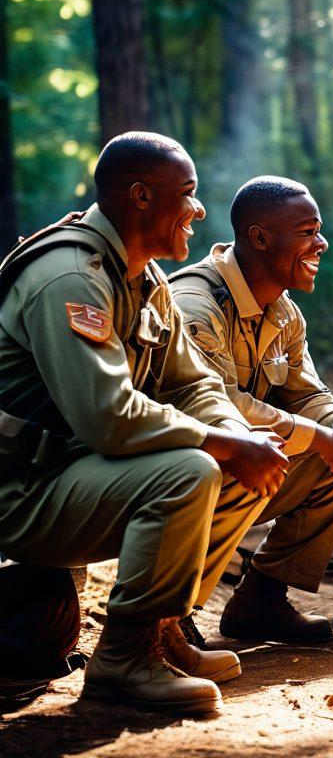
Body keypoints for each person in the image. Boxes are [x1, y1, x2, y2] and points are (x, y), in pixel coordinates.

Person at [0, 132, 289, 716]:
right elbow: (108, 418)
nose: (199, 209)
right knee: (188, 470)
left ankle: (161, 631)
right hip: (20, 489)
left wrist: (242, 438)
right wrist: (226, 443)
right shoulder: (72, 277)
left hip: (68, 472)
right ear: (139, 197)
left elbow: (191, 383)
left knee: (235, 459)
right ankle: (124, 660)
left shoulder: (143, 279)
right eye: (187, 193)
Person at [171, 177, 333, 643]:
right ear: (259, 237)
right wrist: (317, 435)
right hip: (178, 468)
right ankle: (168, 612)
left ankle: (260, 600)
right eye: (307, 231)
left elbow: (306, 393)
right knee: (254, 460)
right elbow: (213, 404)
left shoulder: (283, 311)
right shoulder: (196, 305)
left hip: (234, 462)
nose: (321, 243)